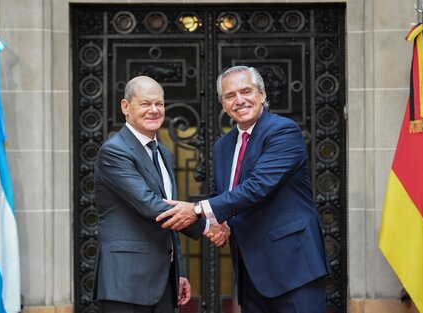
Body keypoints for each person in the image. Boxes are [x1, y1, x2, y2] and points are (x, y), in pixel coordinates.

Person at [157, 66, 331, 313]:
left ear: (262, 94)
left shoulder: (283, 131)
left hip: (293, 267)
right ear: (223, 105)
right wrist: (220, 224)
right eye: (230, 96)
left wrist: (196, 210)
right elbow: (221, 194)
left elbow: (258, 187)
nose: (239, 100)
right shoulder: (222, 146)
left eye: (246, 91)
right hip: (250, 272)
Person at [92, 76, 228, 313]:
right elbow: (150, 205)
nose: (154, 110)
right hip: (126, 283)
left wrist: (179, 271)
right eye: (145, 104)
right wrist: (207, 226)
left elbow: (169, 215)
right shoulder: (114, 151)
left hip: (163, 281)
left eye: (160, 104)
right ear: (126, 107)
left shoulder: (163, 153)